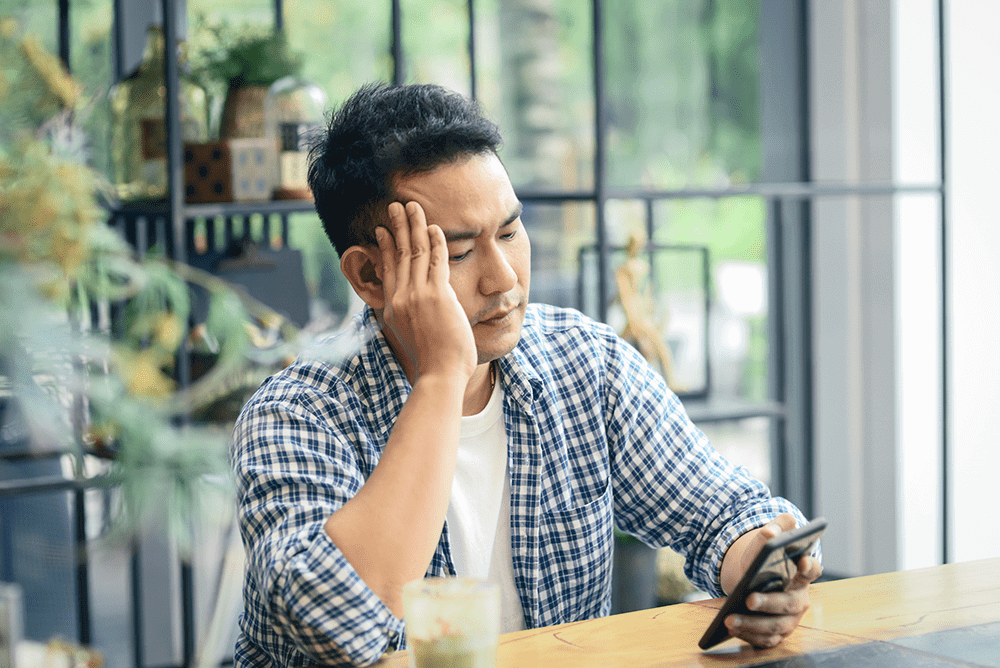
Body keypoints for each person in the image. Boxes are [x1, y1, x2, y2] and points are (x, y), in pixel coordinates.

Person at [230, 82, 822, 668]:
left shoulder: (584, 364)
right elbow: (342, 624)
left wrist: (757, 565)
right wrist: (441, 376)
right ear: (370, 278)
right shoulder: (297, 413)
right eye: (458, 254)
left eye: (510, 232)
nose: (504, 279)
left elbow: (723, 512)